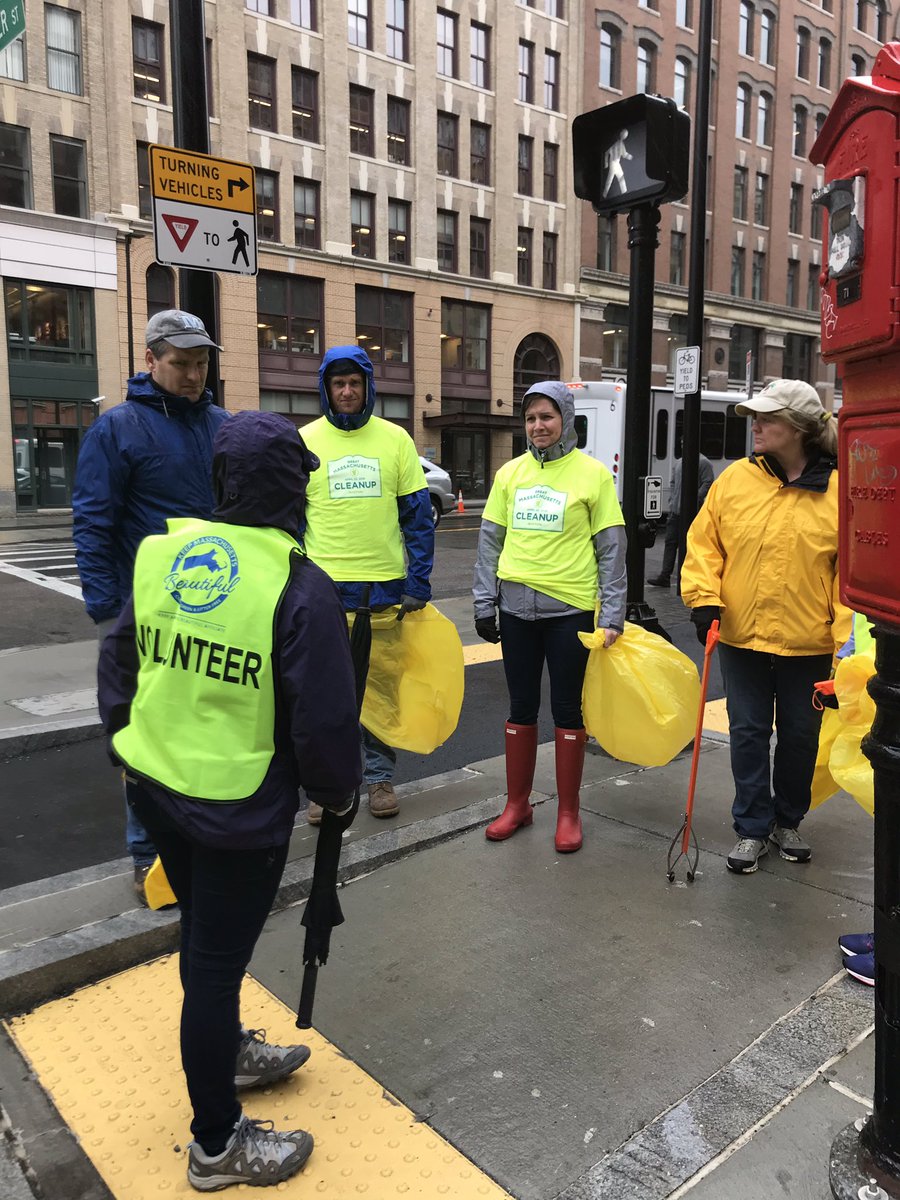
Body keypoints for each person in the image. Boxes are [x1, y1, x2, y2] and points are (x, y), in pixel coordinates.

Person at [97, 412, 362, 1192]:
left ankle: (227, 1052)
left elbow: (119, 668)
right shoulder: (297, 583)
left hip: (157, 787)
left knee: (203, 945)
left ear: (220, 481)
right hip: (237, 810)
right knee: (213, 967)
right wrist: (335, 795)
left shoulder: (163, 553)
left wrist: (133, 744)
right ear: (295, 490)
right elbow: (323, 719)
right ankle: (216, 1146)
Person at [73, 309, 230, 904]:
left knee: (205, 725)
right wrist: (108, 612)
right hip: (140, 615)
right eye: (181, 364)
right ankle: (146, 855)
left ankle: (200, 840)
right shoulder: (116, 430)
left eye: (201, 363)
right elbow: (92, 522)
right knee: (144, 736)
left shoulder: (221, 424)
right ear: (150, 360)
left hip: (213, 609)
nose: (194, 375)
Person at [681, 378, 851, 874]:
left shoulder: (839, 492)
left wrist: (845, 648)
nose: (757, 424)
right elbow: (704, 546)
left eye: (768, 417)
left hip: (809, 644)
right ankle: (752, 827)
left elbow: (847, 577)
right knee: (749, 733)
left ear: (798, 428)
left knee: (800, 736)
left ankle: (787, 819)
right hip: (741, 637)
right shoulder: (735, 481)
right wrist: (704, 601)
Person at [472, 381, 626, 853]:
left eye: (547, 417)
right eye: (531, 418)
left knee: (565, 709)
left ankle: (567, 811)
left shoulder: (593, 475)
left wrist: (613, 614)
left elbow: (611, 548)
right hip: (516, 609)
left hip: (569, 611)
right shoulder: (509, 475)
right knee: (520, 708)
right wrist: (484, 601)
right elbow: (489, 543)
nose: (538, 426)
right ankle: (517, 805)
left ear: (567, 420)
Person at [300, 344, 435, 821]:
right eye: (338, 383)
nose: (347, 391)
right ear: (326, 389)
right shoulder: (306, 440)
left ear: (368, 387)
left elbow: (417, 519)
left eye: (355, 382)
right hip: (323, 591)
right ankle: (327, 787)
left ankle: (379, 779)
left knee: (380, 691)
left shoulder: (396, 440)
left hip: (383, 589)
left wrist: (417, 582)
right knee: (325, 696)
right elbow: (292, 521)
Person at [647, 452, 714, 589]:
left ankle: (686, 577)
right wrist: (672, 501)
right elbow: (672, 483)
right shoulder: (679, 462)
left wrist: (695, 498)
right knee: (670, 543)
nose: (683, 446)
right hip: (675, 511)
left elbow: (708, 482)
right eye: (682, 443)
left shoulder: (703, 462)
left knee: (688, 545)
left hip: (691, 513)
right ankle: (665, 576)